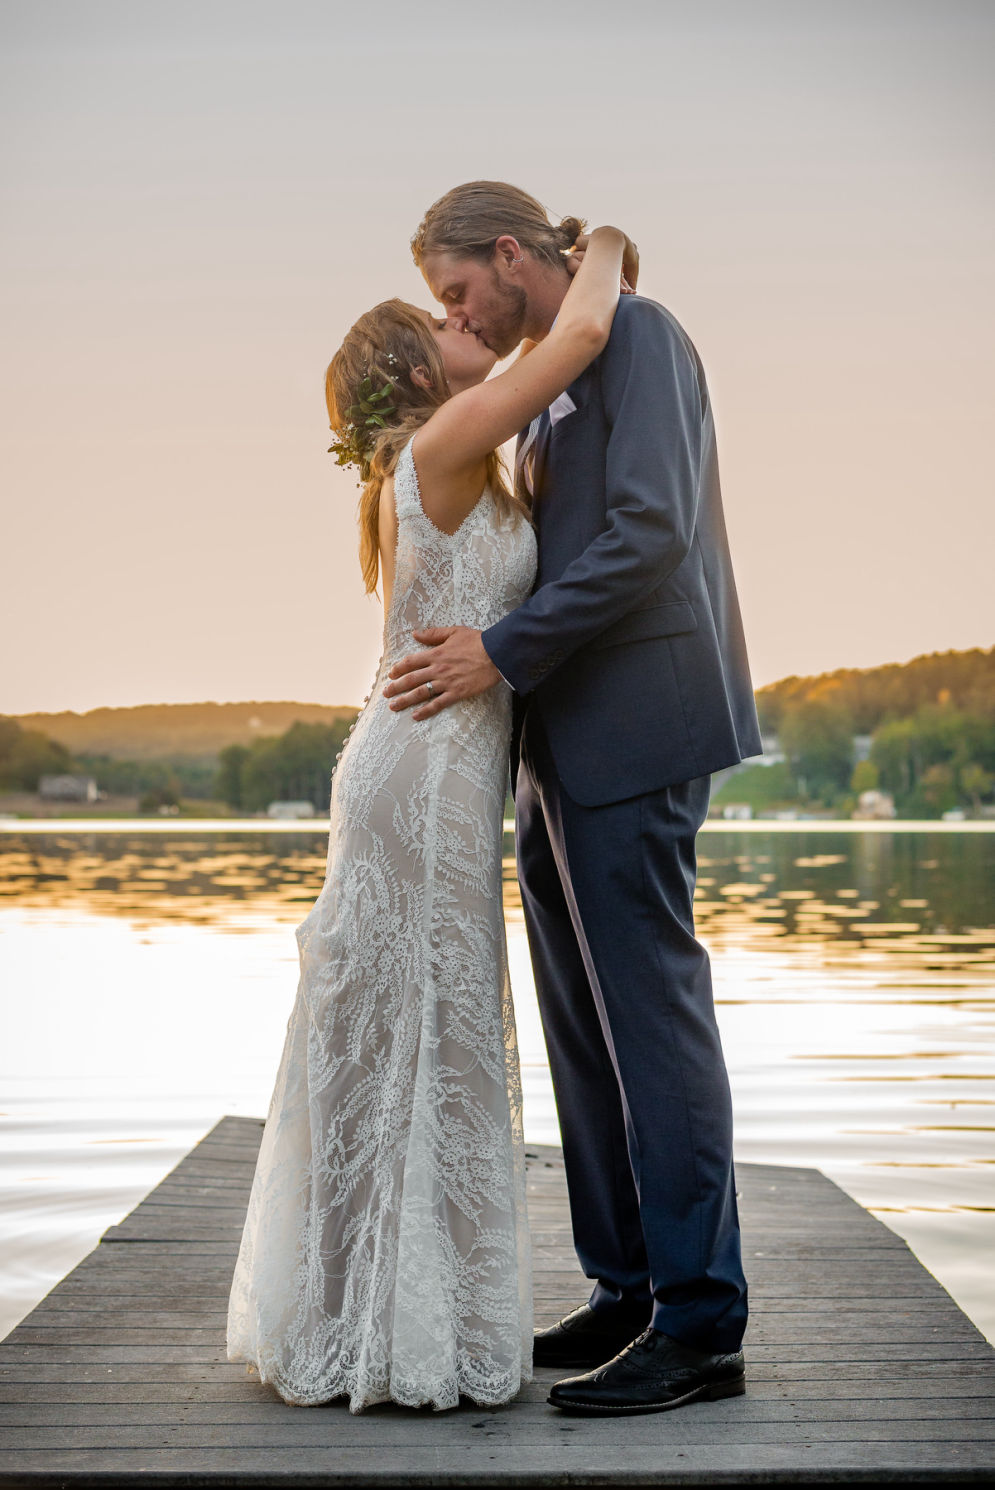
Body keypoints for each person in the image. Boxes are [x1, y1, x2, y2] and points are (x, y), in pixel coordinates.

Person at [225, 225, 629, 1413]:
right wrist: (604, 240)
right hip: (422, 782)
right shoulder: (450, 440)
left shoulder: (433, 468)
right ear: (414, 371)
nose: (467, 324)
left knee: (415, 1029)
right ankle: (383, 1323)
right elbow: (589, 327)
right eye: (445, 324)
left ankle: (381, 1312)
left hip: (427, 776)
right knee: (419, 1027)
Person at [385, 181, 762, 1416]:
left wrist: (496, 650)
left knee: (650, 1023)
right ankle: (624, 1283)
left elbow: (648, 529)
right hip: (560, 746)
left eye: (456, 292)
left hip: (643, 730)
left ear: (507, 254)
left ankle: (698, 1320)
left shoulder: (639, 337)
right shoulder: (548, 388)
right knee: (581, 1035)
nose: (458, 316)